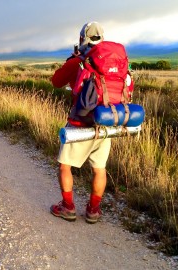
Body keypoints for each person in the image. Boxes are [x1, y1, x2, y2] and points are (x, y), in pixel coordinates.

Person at [50, 22, 109, 224]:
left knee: (65, 165)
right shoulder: (111, 62)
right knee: (99, 169)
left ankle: (67, 207)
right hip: (106, 123)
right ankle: (93, 210)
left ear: (82, 38)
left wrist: (73, 61)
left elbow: (56, 81)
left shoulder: (79, 61)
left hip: (79, 123)